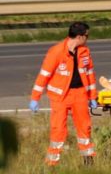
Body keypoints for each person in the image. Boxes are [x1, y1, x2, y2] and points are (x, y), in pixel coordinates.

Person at [29, 22, 97, 166]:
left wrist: (92, 96)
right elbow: (44, 75)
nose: (88, 38)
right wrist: (35, 98)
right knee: (58, 130)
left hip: (80, 95)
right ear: (79, 36)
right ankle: (52, 163)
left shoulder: (85, 51)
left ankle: (88, 161)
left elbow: (90, 74)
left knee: (85, 128)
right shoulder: (56, 51)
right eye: (87, 35)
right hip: (60, 97)